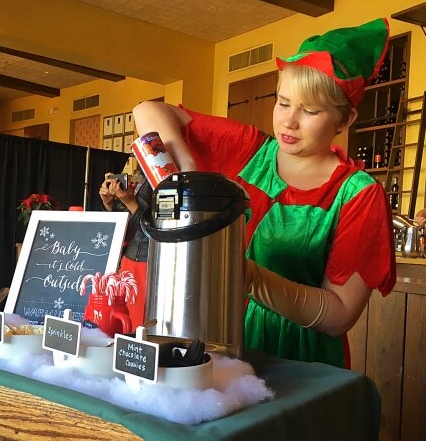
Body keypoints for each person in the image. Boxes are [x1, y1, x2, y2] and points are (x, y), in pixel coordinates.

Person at [132, 18, 396, 368]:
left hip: (298, 359)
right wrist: (188, 177)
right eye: (283, 102)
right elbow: (148, 110)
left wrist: (252, 278)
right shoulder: (251, 151)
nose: (289, 121)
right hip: (216, 338)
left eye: (311, 110)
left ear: (344, 121)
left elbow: (340, 314)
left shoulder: (357, 194)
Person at [99, 167, 152, 328]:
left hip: (150, 263)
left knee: (140, 325)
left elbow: (153, 228)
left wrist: (129, 201)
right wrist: (108, 204)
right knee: (121, 320)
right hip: (128, 263)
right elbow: (127, 229)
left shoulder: (164, 177)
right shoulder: (142, 175)